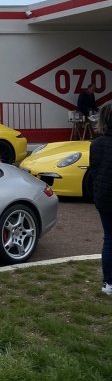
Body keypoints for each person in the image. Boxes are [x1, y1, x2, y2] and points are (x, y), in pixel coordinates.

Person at [89, 101, 112, 295]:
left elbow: (94, 171)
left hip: (104, 198)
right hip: (104, 197)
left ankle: (108, 283)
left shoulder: (96, 144)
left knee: (109, 239)